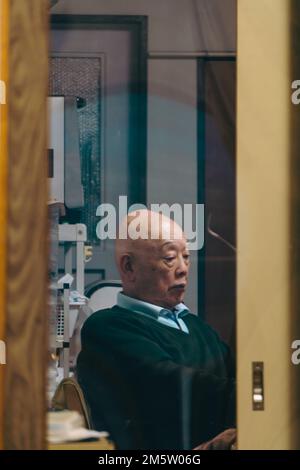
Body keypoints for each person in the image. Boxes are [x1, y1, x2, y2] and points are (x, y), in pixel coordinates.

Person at [77, 210, 236, 449]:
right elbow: (175, 387)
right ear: (129, 267)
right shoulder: (106, 329)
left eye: (186, 256)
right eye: (170, 258)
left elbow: (239, 376)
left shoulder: (198, 327)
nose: (183, 269)